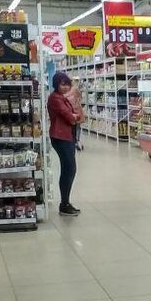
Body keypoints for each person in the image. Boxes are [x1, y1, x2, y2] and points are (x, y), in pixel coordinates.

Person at [47, 71, 84, 216]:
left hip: (67, 136)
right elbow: (69, 116)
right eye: (63, 84)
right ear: (56, 84)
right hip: (60, 137)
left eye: (67, 84)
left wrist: (75, 116)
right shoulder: (55, 98)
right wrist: (75, 117)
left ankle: (65, 202)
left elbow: (75, 114)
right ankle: (64, 204)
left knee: (68, 169)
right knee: (69, 169)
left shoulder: (61, 97)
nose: (66, 87)